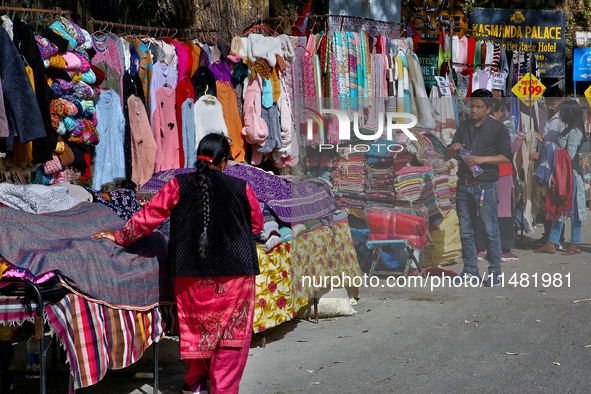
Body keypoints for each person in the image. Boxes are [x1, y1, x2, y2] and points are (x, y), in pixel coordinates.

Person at [92, 134, 263, 394]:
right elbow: (257, 225)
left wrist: (119, 236)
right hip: (236, 275)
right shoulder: (242, 187)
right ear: (224, 161)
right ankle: (223, 389)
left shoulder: (177, 185)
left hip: (190, 273)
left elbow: (149, 216)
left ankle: (196, 384)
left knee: (199, 327)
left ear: (198, 157)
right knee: (231, 336)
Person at [446, 89, 512, 286]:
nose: (473, 110)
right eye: (472, 106)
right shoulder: (464, 126)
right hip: (463, 186)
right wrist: (453, 148)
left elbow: (506, 156)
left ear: (489, 108)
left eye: (478, 107)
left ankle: (494, 271)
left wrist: (482, 159)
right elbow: (448, 154)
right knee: (465, 231)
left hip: (485, 187)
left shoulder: (498, 128)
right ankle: (470, 270)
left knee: (490, 229)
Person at [534, 100, 587, 255]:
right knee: (560, 209)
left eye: (562, 112)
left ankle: (575, 243)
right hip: (562, 175)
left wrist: (552, 148)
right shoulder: (568, 130)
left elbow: (569, 155)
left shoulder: (575, 132)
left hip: (572, 177)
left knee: (574, 210)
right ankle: (552, 242)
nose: (560, 115)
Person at [474, 98, 524, 262]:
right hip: (501, 175)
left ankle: (480, 249)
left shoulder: (473, 127)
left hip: (482, 175)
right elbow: (509, 151)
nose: (502, 114)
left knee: (482, 210)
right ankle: (504, 250)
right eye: (499, 111)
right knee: (503, 211)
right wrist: (519, 140)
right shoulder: (499, 128)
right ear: (491, 110)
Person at [532, 86, 566, 246]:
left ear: (561, 101)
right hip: (542, 161)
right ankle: (547, 235)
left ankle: (558, 237)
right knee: (545, 198)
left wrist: (542, 145)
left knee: (556, 199)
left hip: (556, 163)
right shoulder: (545, 113)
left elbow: (560, 147)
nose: (550, 107)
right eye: (547, 104)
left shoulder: (564, 118)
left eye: (553, 104)